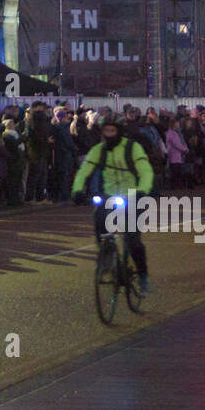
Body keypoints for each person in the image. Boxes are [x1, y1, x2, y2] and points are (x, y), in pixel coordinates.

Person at [72, 118, 156, 294]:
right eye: (106, 131)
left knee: (133, 240)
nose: (109, 135)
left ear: (119, 132)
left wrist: (142, 190)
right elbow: (84, 171)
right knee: (99, 221)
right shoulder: (99, 150)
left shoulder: (132, 148)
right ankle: (106, 253)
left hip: (133, 195)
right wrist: (77, 190)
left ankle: (143, 276)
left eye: (112, 131)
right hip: (109, 194)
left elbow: (145, 170)